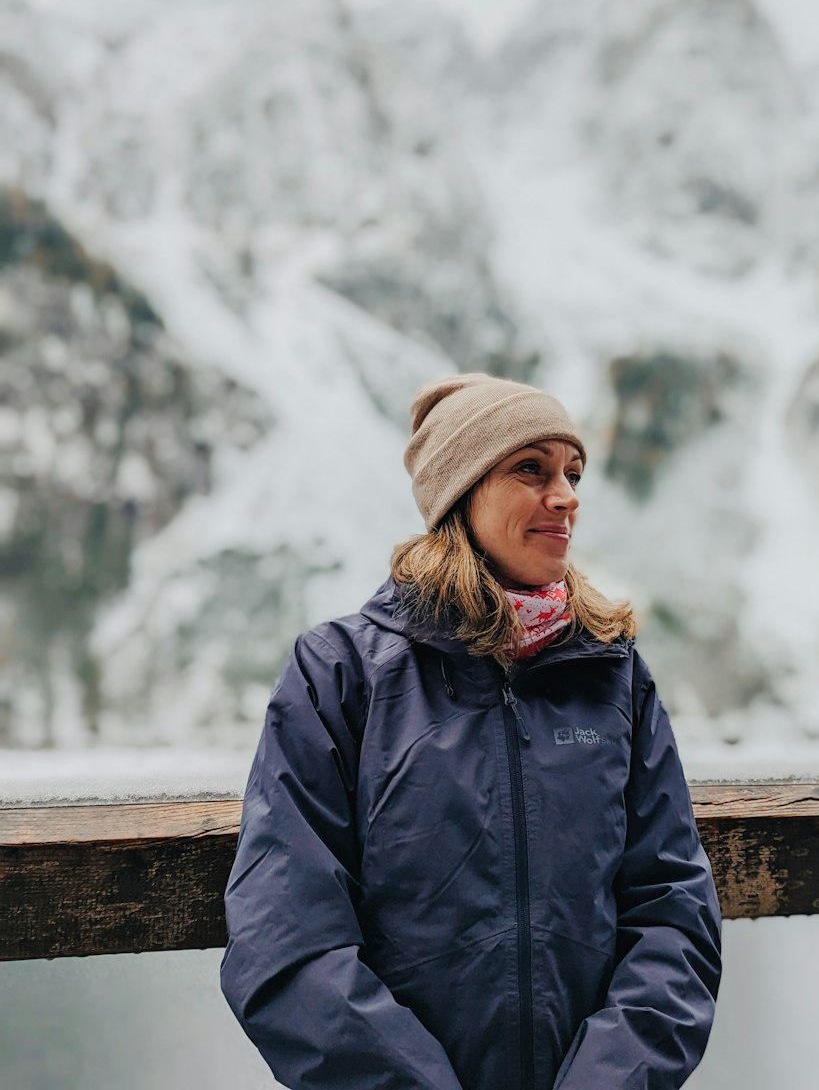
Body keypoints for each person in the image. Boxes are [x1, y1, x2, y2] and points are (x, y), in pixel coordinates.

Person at [220, 372, 722, 1090]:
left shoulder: (614, 678)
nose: (567, 496)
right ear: (461, 492)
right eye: (531, 469)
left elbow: (673, 914)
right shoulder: (340, 674)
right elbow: (286, 937)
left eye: (573, 474)